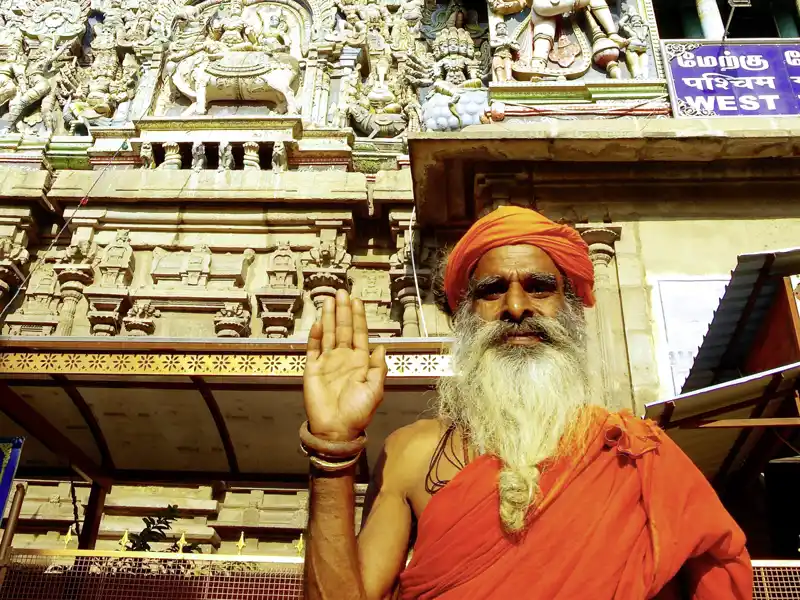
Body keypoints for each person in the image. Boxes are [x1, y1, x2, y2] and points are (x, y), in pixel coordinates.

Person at [301, 205, 752, 600]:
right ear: (465, 317)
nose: (516, 306)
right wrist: (332, 446)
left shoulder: (634, 456)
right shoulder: (412, 455)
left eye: (539, 287)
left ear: (571, 308)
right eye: (492, 290)